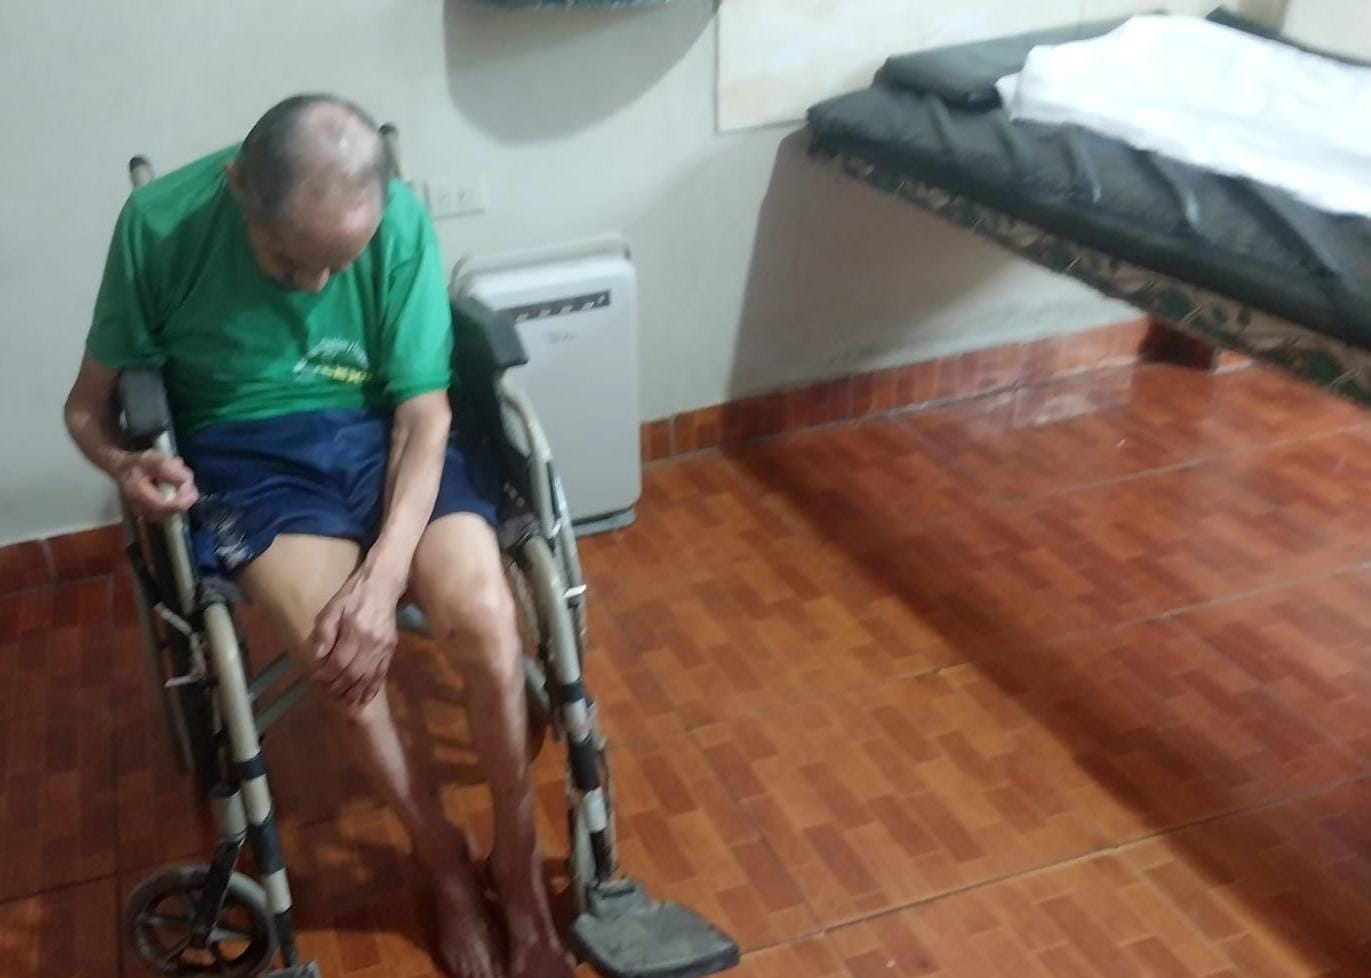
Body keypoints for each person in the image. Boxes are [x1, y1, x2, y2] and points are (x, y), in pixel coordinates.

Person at [63, 93, 571, 978]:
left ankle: (517, 860)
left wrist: (384, 579)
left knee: (490, 623)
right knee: (339, 655)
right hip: (249, 452)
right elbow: (84, 411)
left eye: (342, 262)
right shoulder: (158, 227)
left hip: (386, 432)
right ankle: (441, 858)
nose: (317, 288)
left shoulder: (397, 220)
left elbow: (423, 413)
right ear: (237, 188)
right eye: (292, 262)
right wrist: (120, 463)